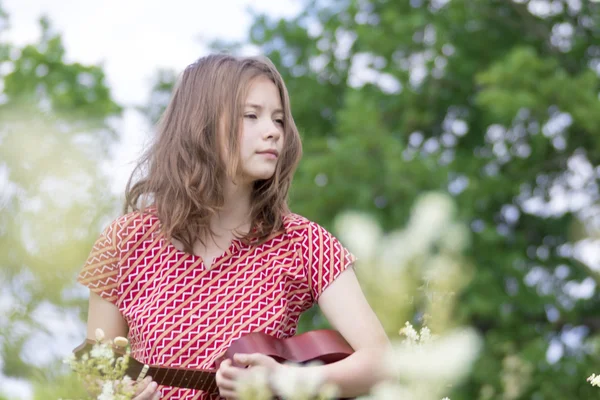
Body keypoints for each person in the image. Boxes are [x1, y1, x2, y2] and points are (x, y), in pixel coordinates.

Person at [76, 54, 390, 400]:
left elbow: (381, 363)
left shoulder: (305, 242)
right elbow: (99, 371)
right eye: (251, 116)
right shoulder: (122, 241)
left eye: (279, 120)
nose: (273, 131)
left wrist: (285, 382)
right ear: (202, 125)